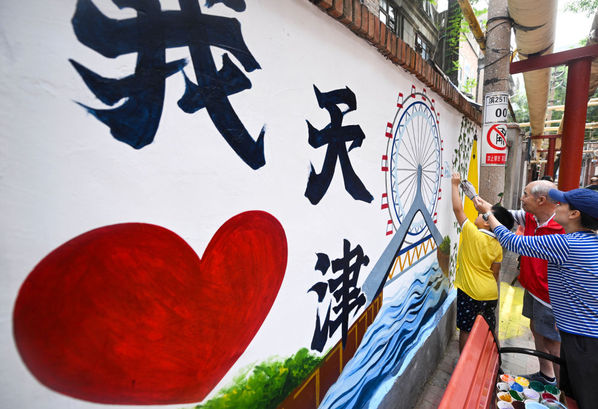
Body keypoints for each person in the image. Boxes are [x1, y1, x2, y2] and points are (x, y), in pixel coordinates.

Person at [474, 188, 598, 409]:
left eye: (561, 204)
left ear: (574, 214)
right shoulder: (587, 241)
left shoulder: (567, 244)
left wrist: (488, 214)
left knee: (583, 396)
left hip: (584, 340)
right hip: (582, 333)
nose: (556, 206)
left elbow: (513, 242)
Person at [477, 180, 565, 385]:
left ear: (541, 200)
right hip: (533, 288)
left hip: (550, 297)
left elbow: (511, 241)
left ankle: (562, 392)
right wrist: (478, 201)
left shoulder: (561, 230)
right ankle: (546, 375)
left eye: (525, 194)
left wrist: (488, 214)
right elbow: (503, 214)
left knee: (553, 344)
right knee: (536, 330)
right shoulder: (530, 216)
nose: (521, 198)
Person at [451, 173, 515, 351]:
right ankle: (493, 358)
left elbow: (458, 210)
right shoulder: (497, 245)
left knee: (466, 330)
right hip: (490, 294)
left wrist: (454, 185)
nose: (479, 214)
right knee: (487, 329)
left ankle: (465, 362)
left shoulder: (471, 233)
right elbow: (495, 273)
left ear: (488, 223)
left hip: (470, 292)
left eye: (482, 214)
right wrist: (475, 197)